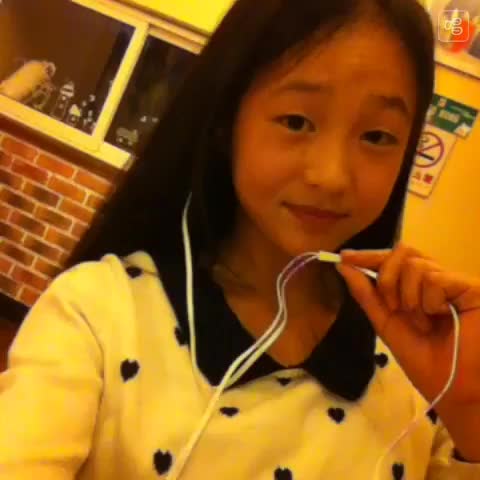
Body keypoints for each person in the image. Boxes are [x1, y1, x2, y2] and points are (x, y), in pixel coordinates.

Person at [1, 0, 479, 478]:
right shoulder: (100, 313)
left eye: (376, 136)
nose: (332, 175)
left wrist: (470, 414)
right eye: (297, 121)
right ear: (225, 122)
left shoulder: (421, 369)